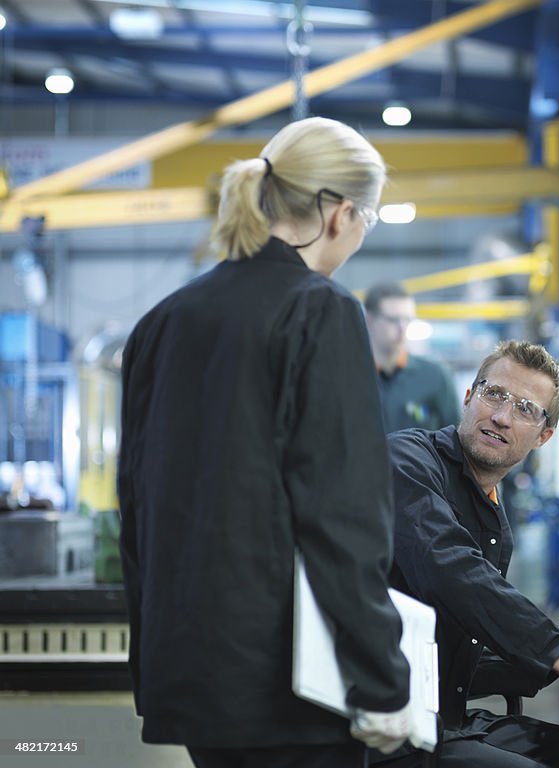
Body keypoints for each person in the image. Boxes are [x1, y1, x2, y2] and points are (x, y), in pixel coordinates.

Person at [118, 117, 412, 768]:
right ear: (339, 214)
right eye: (369, 218)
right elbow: (343, 515)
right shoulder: (320, 310)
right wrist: (382, 678)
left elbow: (135, 509)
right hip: (291, 687)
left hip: (194, 679)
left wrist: (154, 669)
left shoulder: (160, 323)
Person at [372, 340, 559, 768]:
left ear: (543, 435)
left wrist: (550, 654)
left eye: (525, 408)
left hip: (446, 714)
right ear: (468, 398)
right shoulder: (406, 461)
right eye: (493, 394)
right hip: (390, 725)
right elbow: (449, 568)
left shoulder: (492, 516)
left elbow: (456, 654)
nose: (501, 417)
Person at [363, 282, 461, 433]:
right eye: (393, 320)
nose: (402, 328)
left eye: (407, 319)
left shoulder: (435, 377)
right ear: (370, 320)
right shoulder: (350, 378)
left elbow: (455, 436)